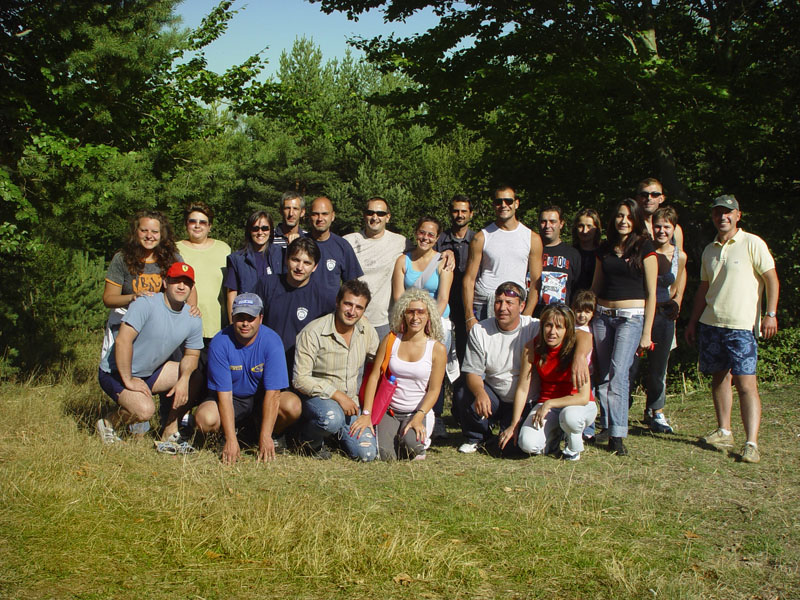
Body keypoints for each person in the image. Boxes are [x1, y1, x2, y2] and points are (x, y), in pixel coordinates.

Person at [686, 195, 779, 464]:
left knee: (746, 384)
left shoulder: (752, 243)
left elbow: (771, 279)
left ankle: (751, 443)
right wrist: (693, 322)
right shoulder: (709, 249)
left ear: (738, 215)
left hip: (742, 326)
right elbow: (704, 288)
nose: (722, 217)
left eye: (728, 212)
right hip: (712, 323)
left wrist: (771, 314)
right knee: (719, 378)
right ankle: (724, 431)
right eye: (718, 213)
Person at [97, 262, 204, 451]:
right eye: (176, 281)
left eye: (186, 283)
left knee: (195, 377)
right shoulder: (146, 303)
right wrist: (128, 379)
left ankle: (170, 430)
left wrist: (183, 379)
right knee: (145, 411)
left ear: (192, 287)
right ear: (165, 282)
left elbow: (192, 354)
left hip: (149, 373)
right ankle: (108, 423)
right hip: (116, 372)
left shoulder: (192, 317)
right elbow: (123, 341)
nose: (181, 286)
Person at [100, 209, 188, 434]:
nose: (150, 236)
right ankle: (116, 420)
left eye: (155, 231)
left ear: (162, 234)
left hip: (158, 334)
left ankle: (170, 427)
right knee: (137, 399)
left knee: (188, 372)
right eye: (144, 230)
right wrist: (133, 297)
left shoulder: (171, 257)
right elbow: (108, 298)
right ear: (135, 231)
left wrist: (190, 311)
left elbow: (187, 285)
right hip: (126, 330)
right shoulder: (122, 258)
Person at [193, 293, 301, 464]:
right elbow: (224, 396)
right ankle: (224, 437)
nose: (245, 323)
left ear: (260, 318)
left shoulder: (272, 341)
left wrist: (265, 436)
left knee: (292, 405)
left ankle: (270, 435)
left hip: (261, 398)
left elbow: (273, 393)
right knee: (205, 418)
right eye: (240, 318)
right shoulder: (220, 342)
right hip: (232, 399)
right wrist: (230, 438)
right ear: (232, 317)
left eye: (251, 318)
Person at [591, 199, 657, 456]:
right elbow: (596, 286)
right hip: (602, 316)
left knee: (619, 373)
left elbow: (652, 293)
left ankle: (618, 435)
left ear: (636, 220)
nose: (623, 221)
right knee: (603, 375)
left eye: (629, 217)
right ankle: (608, 425)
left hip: (631, 317)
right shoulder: (605, 248)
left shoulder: (645, 247)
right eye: (620, 216)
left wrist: (647, 332)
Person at [354, 288, 447, 460]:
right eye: (410, 312)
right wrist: (366, 413)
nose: (415, 317)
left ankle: (417, 441)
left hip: (417, 411)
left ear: (429, 315)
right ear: (403, 314)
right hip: (389, 410)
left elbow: (434, 390)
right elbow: (374, 376)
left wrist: (419, 416)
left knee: (412, 445)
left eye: (421, 312)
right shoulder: (391, 339)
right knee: (386, 456)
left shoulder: (437, 349)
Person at [294, 280, 379, 461]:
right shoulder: (313, 332)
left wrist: (367, 413)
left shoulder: (366, 330)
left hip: (352, 404)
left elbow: (379, 364)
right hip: (319, 400)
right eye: (348, 304)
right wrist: (337, 395)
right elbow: (300, 379)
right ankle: (308, 442)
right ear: (337, 302)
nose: (352, 311)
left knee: (367, 455)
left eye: (359, 307)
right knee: (331, 419)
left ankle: (337, 437)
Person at [499, 305, 596, 461]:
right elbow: (523, 388)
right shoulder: (532, 347)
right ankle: (554, 439)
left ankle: (573, 448)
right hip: (547, 404)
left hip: (578, 405)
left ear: (567, 330)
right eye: (548, 325)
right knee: (527, 444)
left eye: (559, 327)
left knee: (570, 417)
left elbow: (583, 397)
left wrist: (550, 403)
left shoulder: (576, 349)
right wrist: (514, 424)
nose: (552, 332)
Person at [454, 282, 540, 454]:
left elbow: (572, 332)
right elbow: (472, 372)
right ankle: (477, 437)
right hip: (495, 395)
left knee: (511, 449)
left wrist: (580, 357)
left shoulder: (534, 327)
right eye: (499, 302)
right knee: (464, 391)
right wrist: (480, 393)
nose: (502, 308)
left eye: (509, 303)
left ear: (522, 306)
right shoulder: (480, 330)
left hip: (525, 400)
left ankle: (508, 431)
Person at [392, 215, 454, 439]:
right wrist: (410, 322)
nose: (425, 238)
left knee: (435, 373)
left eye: (431, 234)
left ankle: (434, 418)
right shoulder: (403, 261)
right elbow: (398, 296)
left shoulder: (443, 262)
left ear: (437, 238)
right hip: (408, 321)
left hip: (436, 322)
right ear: (415, 233)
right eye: (422, 232)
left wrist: (429, 324)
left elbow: (443, 297)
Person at [630, 206, 687, 434]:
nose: (662, 231)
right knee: (631, 364)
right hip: (641, 312)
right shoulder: (643, 250)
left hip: (664, 316)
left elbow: (676, 284)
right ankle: (622, 407)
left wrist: (675, 302)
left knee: (658, 367)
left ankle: (656, 411)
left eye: (667, 227)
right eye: (658, 227)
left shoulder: (679, 256)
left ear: (674, 229)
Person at [463, 185, 542, 330]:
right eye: (498, 201)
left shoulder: (532, 238)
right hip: (484, 305)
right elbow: (469, 279)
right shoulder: (481, 237)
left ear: (516, 203)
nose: (503, 205)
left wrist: (527, 314)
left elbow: (536, 282)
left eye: (508, 201)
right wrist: (469, 316)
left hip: (516, 305)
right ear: (494, 205)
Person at [255, 237, 327, 376]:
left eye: (307, 263)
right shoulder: (266, 285)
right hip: (266, 363)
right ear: (286, 259)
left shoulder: (324, 297)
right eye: (295, 260)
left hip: (302, 370)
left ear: (315, 266)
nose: (300, 267)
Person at [344, 197, 408, 340]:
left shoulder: (400, 242)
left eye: (380, 213)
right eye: (370, 212)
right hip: (352, 319)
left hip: (384, 322)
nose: (375, 217)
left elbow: (424, 254)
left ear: (388, 217)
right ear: (364, 215)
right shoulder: (348, 241)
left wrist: (447, 253)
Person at [177, 201, 231, 341]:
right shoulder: (175, 250)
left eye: (202, 222)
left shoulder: (224, 249)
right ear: (186, 224)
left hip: (218, 327)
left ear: (209, 226)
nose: (197, 225)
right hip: (184, 325)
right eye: (192, 221)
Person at [435, 194, 475, 366]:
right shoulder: (438, 240)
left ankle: (464, 383)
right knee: (440, 351)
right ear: (450, 213)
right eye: (456, 211)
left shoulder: (477, 240)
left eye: (464, 211)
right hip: (443, 303)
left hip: (469, 303)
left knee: (466, 352)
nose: (460, 215)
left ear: (471, 214)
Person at [224, 210, 284, 322]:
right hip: (247, 319)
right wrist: (233, 323)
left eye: (265, 228)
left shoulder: (281, 254)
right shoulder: (237, 259)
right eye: (255, 228)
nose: (260, 232)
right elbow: (232, 293)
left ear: (271, 230)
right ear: (249, 231)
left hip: (275, 317)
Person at [307, 196, 364, 313]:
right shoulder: (301, 244)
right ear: (309, 216)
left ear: (332, 216)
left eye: (324, 214)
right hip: (302, 310)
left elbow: (353, 287)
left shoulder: (342, 246)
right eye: (315, 214)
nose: (320, 218)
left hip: (331, 314)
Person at [536, 205, 581, 313]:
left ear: (561, 224)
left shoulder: (572, 254)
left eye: (552, 221)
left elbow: (577, 289)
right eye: (543, 222)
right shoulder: (530, 250)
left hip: (561, 316)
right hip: (532, 315)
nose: (547, 226)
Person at [634, 178, 684, 252]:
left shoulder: (675, 230)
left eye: (654, 194)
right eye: (644, 195)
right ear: (637, 198)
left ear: (661, 198)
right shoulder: (633, 227)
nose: (649, 198)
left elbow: (679, 256)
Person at [571, 208, 602, 293]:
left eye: (589, 226)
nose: (585, 231)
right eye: (581, 226)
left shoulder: (603, 254)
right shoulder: (570, 253)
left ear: (596, 228)